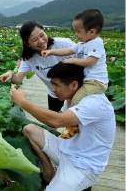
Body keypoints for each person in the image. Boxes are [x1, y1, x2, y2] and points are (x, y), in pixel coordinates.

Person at [10, 62, 116, 191]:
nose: (53, 89)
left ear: (74, 85)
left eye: (56, 84)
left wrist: (22, 102)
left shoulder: (94, 103)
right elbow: (57, 116)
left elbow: (58, 121)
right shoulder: (75, 98)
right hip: (66, 151)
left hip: (83, 166)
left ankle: (79, 184)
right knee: (30, 129)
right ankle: (49, 172)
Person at [0, 20, 76, 113]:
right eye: (34, 40)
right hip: (54, 92)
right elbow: (18, 79)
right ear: (27, 43)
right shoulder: (29, 57)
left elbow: (88, 62)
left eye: (42, 35)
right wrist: (11, 74)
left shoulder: (64, 44)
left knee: (76, 123)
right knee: (52, 124)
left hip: (75, 90)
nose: (41, 41)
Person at [42, 9, 108, 106]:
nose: (76, 34)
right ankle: (68, 116)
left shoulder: (96, 43)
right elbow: (67, 50)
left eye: (78, 31)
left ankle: (73, 118)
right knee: (70, 97)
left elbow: (90, 62)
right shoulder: (83, 43)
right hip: (87, 80)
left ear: (92, 32)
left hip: (96, 82)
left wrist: (72, 60)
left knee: (76, 100)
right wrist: (50, 52)